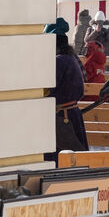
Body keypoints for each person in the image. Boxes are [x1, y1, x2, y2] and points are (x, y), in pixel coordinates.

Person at [45, 18, 87, 162]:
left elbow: (48, 89)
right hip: (70, 114)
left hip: (63, 118)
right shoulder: (69, 57)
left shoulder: (59, 61)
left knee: (64, 161)